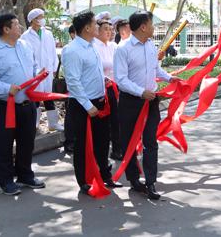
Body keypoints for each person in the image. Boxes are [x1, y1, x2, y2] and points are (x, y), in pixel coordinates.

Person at [0, 14, 45, 195]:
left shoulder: (25, 46)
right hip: (3, 106)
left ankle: (25, 175)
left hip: (26, 103)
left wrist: (37, 76)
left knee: (26, 142)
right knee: (3, 144)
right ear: (6, 29)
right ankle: (5, 180)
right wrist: (6, 88)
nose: (20, 27)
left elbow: (33, 67)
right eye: (16, 25)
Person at [114, 11, 178, 200]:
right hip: (131, 102)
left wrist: (169, 77)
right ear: (143, 26)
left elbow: (155, 68)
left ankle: (150, 182)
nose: (153, 28)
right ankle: (134, 179)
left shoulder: (150, 45)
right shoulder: (123, 48)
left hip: (151, 102)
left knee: (151, 141)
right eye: (151, 24)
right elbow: (120, 79)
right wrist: (140, 92)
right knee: (129, 143)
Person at [62, 11, 121, 194]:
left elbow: (91, 72)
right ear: (87, 28)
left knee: (102, 142)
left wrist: (103, 80)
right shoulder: (72, 50)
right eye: (95, 24)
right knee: (82, 146)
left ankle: (105, 175)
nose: (98, 26)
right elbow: (73, 81)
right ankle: (85, 182)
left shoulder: (91, 46)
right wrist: (88, 105)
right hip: (83, 105)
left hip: (99, 102)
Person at [21, 8, 62, 132]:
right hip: (36, 73)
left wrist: (54, 67)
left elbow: (53, 52)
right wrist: (35, 71)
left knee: (48, 96)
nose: (43, 19)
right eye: (40, 17)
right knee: (36, 97)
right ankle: (34, 124)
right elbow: (27, 55)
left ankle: (53, 124)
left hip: (48, 70)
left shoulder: (48, 33)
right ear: (33, 20)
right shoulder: (25, 36)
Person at [92, 19, 122, 160]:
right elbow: (94, 69)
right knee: (104, 123)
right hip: (101, 88)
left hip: (117, 87)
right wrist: (105, 80)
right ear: (97, 31)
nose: (109, 32)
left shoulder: (114, 46)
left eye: (110, 29)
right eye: (105, 29)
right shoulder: (93, 46)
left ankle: (117, 149)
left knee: (117, 120)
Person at [63, 24, 77, 154]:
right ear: (73, 34)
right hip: (73, 90)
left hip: (87, 91)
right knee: (71, 118)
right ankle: (69, 142)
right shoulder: (68, 49)